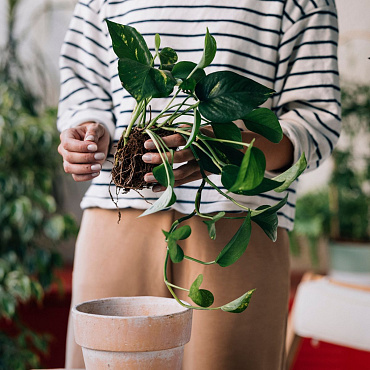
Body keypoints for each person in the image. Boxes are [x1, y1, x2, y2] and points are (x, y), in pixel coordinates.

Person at [57, 1, 341, 369]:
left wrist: (224, 148)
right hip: (118, 215)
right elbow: (83, 86)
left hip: (238, 225)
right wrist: (87, 130)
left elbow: (315, 119)